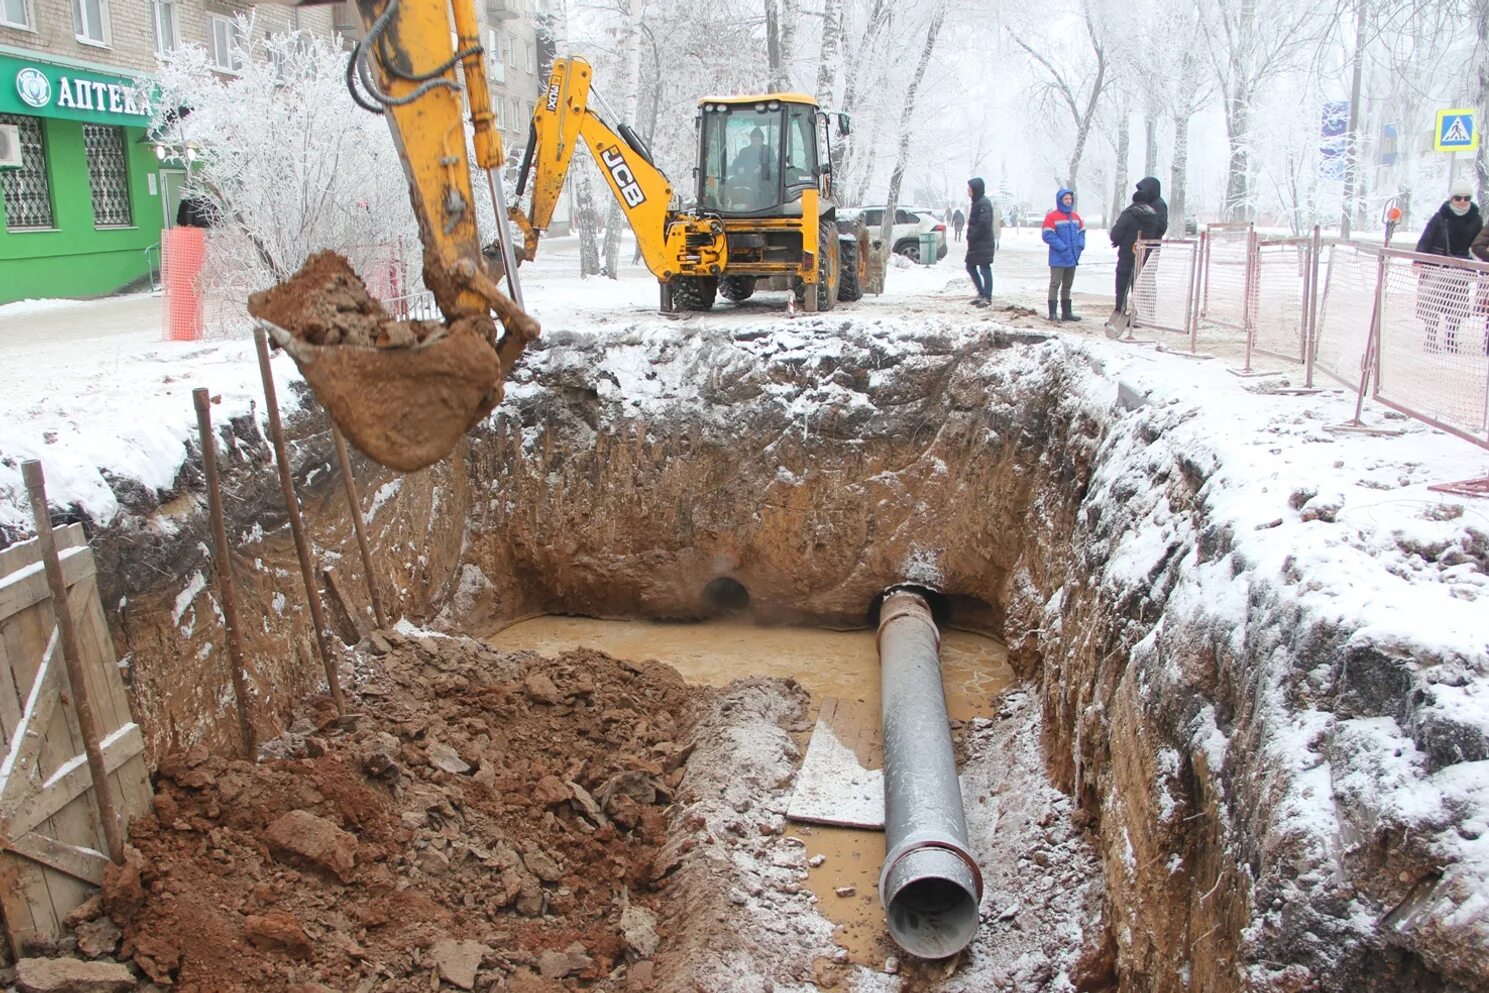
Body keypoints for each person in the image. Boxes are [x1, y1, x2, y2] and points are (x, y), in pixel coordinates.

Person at [1416, 180, 1482, 352]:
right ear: (1451, 199)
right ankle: (1430, 339)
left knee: (1457, 307)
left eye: (1466, 198)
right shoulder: (1440, 217)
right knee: (1432, 305)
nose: (1462, 201)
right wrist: (1418, 260)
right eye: (1458, 198)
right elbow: (1425, 239)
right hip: (1437, 265)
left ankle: (1450, 339)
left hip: (1461, 268)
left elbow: (1479, 244)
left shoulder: (1475, 219)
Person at [1108, 181, 1162, 322]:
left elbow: (1116, 234)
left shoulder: (1129, 213)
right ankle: (1136, 316)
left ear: (1133, 200)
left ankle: (1120, 313)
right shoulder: (1153, 215)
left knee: (1122, 285)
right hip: (1144, 255)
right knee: (1137, 286)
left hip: (1127, 255)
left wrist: (1118, 240)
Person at [1041, 187, 1085, 322]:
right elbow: (1047, 235)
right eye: (1066, 199)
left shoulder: (1076, 217)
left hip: (1072, 258)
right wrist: (1062, 248)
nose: (1068, 201)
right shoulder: (1052, 217)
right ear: (1060, 200)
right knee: (1055, 284)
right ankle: (1053, 313)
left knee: (1067, 285)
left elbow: (1081, 232)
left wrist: (1080, 246)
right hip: (1058, 258)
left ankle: (1067, 313)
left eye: (1070, 199)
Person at [965, 177, 995, 307]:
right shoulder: (977, 202)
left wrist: (973, 235)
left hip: (983, 243)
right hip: (977, 243)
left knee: (984, 269)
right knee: (970, 266)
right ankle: (981, 293)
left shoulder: (983, 203)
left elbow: (983, 223)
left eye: (969, 188)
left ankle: (987, 296)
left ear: (975, 189)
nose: (968, 190)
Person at [728, 127, 772, 208]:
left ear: (762, 140)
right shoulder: (744, 151)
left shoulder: (768, 150)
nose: (756, 143)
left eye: (758, 141)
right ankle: (730, 205)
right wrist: (739, 167)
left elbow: (774, 164)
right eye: (754, 141)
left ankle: (763, 208)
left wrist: (763, 168)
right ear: (751, 140)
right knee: (730, 183)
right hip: (746, 180)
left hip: (764, 181)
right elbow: (736, 163)